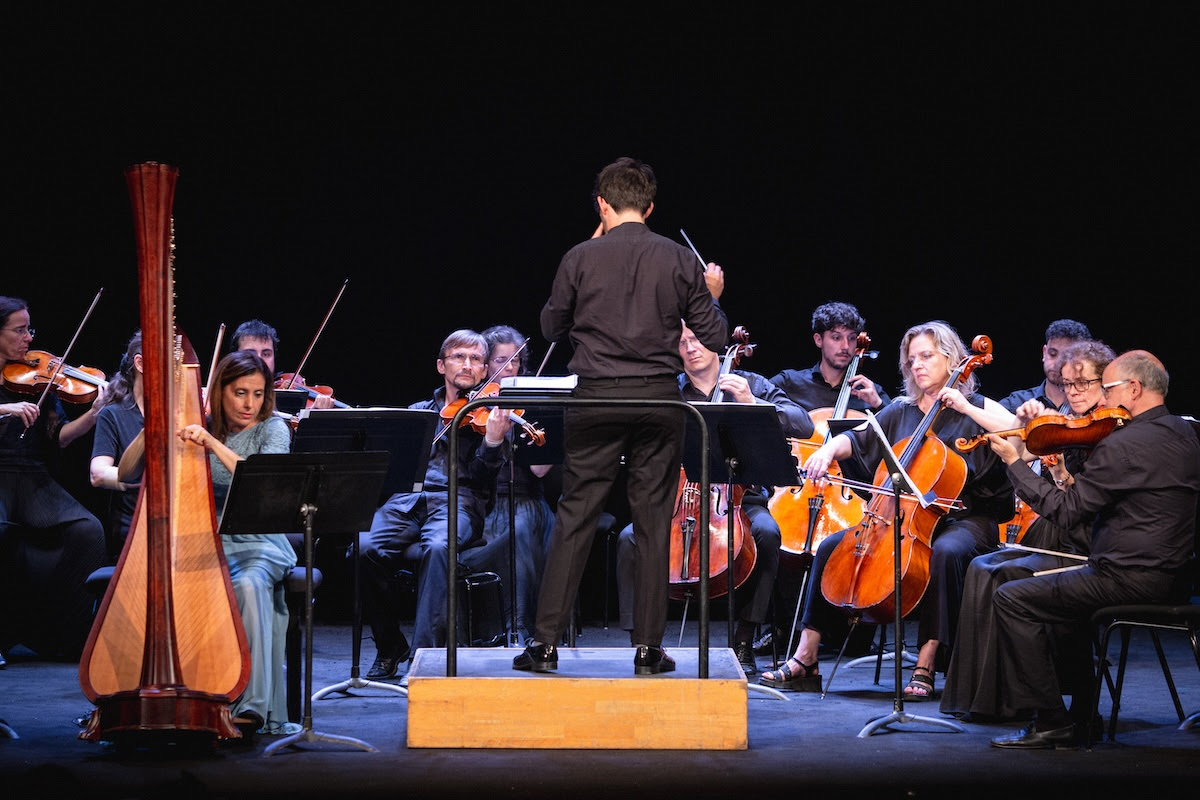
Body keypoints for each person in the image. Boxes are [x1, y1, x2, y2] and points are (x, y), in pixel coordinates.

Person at [515, 156, 728, 676]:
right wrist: (711, 296)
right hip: (658, 402)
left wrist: (589, 251)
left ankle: (544, 647)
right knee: (654, 522)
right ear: (650, 207)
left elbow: (549, 327)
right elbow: (716, 336)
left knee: (575, 516)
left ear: (602, 204)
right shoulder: (679, 259)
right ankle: (648, 651)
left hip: (595, 400)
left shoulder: (579, 256)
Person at [759, 320, 1014, 698]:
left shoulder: (975, 406)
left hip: (966, 517)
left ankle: (927, 660)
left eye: (926, 356)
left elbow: (1017, 431)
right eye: (911, 361)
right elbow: (859, 438)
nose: (917, 366)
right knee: (831, 547)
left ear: (952, 358)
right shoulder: (901, 410)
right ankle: (806, 655)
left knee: (944, 553)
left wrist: (963, 405)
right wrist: (828, 449)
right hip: (906, 518)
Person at [987, 349, 1200, 748]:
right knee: (1067, 600)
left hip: (1129, 580)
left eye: (1107, 389)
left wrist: (1015, 463)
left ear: (1133, 389)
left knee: (1011, 597)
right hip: (1178, 579)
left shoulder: (1124, 445)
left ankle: (1050, 720)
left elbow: (1065, 512)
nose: (1100, 400)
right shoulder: (1187, 432)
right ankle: (1083, 715)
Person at [614, 322, 813, 675]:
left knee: (767, 535)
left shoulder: (751, 383)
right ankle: (646, 644)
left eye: (697, 340)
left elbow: (804, 424)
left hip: (738, 498)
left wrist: (753, 403)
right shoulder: (669, 390)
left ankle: (743, 641)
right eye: (682, 342)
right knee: (631, 539)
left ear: (718, 343)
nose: (690, 348)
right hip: (677, 498)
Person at [940, 339, 1116, 723]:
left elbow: (1084, 507)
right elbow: (1066, 489)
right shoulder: (1071, 421)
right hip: (1059, 532)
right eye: (1068, 385)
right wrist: (1053, 468)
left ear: (1108, 383)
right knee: (981, 568)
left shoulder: (1113, 431)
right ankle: (989, 700)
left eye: (1084, 383)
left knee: (1003, 574)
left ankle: (1041, 705)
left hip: (1088, 543)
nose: (1074, 392)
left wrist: (1034, 466)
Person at [358, 329, 513, 679]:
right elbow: (395, 472)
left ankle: (422, 657)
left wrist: (491, 443)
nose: (468, 365)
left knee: (438, 548)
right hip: (408, 500)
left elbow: (485, 481)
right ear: (441, 365)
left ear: (486, 369)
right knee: (363, 546)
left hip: (460, 502)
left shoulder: (492, 416)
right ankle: (389, 646)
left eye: (476, 359)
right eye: (459, 357)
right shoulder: (418, 412)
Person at [178, 349, 299, 735]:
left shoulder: (273, 429)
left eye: (259, 394)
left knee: (248, 584)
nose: (250, 404)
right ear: (220, 391)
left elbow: (262, 484)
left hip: (260, 538)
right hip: (206, 535)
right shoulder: (201, 423)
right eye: (240, 393)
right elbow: (135, 471)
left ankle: (252, 706)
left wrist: (213, 445)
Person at [763, 300, 892, 656]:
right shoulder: (790, 383)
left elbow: (896, 445)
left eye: (852, 338)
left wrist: (879, 405)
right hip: (797, 485)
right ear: (819, 339)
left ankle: (840, 633)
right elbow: (763, 421)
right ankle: (778, 630)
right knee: (772, 534)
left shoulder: (868, 392)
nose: (846, 346)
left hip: (847, 493)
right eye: (836, 337)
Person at [0, 296, 107, 665]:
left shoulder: (37, 376)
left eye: (29, 329)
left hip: (32, 477)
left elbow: (58, 437)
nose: (28, 337)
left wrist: (93, 414)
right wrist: (6, 408)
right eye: (19, 330)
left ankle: (73, 634)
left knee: (87, 530)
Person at [462, 324, 556, 645]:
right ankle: (488, 628)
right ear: (486, 364)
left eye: (515, 361)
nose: (509, 368)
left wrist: (538, 422)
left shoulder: (533, 400)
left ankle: (522, 629)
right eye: (501, 360)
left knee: (521, 533)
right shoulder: (474, 404)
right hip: (488, 504)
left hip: (528, 502)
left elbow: (542, 472)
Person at [88, 330, 144, 559]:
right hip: (132, 524)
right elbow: (98, 474)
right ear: (140, 363)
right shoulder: (113, 414)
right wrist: (135, 482)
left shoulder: (184, 412)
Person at [231, 319, 337, 410]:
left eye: (266, 354)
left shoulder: (286, 400)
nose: (260, 361)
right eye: (250, 353)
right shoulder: (225, 398)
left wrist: (310, 419)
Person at [998, 319, 1091, 413]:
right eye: (1052, 354)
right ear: (1044, 353)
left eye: (1066, 357)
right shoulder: (1017, 402)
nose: (1056, 364)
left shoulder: (1092, 404)